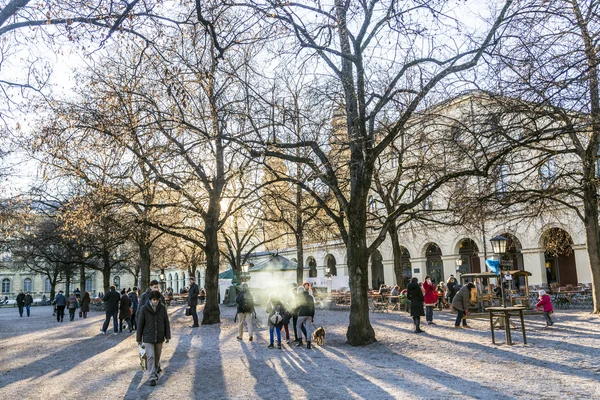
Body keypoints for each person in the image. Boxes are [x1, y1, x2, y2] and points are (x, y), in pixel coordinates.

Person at [137, 290, 171, 387]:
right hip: (148, 336)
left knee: (157, 357)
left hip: (159, 336)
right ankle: (151, 376)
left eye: (157, 300)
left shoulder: (162, 308)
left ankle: (155, 371)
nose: (155, 301)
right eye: (154, 300)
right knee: (150, 356)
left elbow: (166, 322)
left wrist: (167, 335)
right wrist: (139, 338)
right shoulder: (144, 309)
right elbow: (140, 324)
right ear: (150, 300)